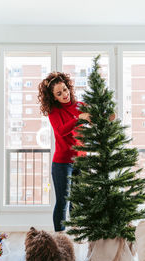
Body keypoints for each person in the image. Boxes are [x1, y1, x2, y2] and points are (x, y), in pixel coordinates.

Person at [38, 72, 91, 232]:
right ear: (54, 97)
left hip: (81, 160)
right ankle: (60, 237)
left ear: (69, 88)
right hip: (62, 163)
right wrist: (79, 119)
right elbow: (61, 131)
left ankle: (76, 232)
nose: (65, 95)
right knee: (62, 201)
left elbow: (93, 118)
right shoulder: (54, 112)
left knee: (78, 200)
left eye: (65, 90)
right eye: (59, 93)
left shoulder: (80, 105)